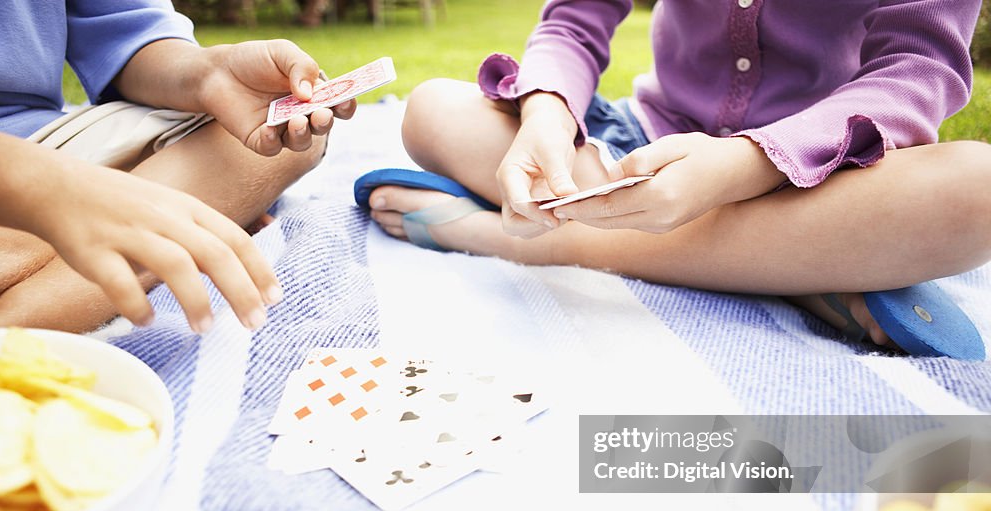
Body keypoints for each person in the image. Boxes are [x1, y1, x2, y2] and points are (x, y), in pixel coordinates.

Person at [358, 0, 991, 358]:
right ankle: (790, 269)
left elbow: (917, 68)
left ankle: (530, 238)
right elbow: (574, 22)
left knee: (978, 188)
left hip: (818, 170)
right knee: (433, 111)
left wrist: (751, 162)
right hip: (642, 143)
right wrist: (546, 113)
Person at [0, 1, 355, 334]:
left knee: (273, 126)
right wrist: (47, 189)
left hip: (47, 137)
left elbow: (128, 31)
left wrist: (209, 73)